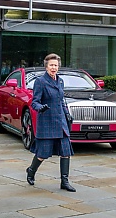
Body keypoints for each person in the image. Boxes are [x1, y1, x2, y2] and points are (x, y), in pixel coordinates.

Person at [25, 53, 76, 192]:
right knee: (43, 154)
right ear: (46, 67)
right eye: (51, 65)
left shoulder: (60, 81)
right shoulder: (40, 82)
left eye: (56, 65)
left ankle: (64, 182)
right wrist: (40, 108)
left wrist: (67, 114)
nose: (54, 68)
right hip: (47, 121)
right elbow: (34, 102)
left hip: (61, 122)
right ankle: (31, 171)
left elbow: (61, 101)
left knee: (65, 152)